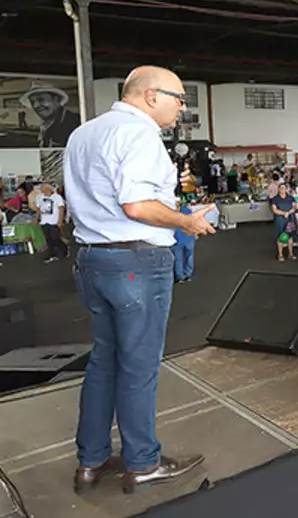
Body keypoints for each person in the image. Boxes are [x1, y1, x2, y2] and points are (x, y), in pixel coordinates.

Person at [64, 65, 214, 494]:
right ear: (150, 95)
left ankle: (90, 461)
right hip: (136, 262)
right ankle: (143, 462)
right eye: (179, 98)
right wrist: (185, 222)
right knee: (139, 366)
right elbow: (137, 206)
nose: (183, 108)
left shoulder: (84, 134)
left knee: (103, 363)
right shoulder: (140, 134)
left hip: (93, 259)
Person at [20, 82, 81, 148]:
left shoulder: (76, 123)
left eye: (41, 100)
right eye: (32, 102)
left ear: (57, 100)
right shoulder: (46, 126)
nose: (36, 105)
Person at [37, 182, 68, 262]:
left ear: (49, 189)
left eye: (43, 189)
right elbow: (38, 209)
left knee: (55, 238)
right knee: (48, 239)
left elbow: (61, 209)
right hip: (44, 221)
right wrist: (36, 218)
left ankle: (64, 248)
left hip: (54, 221)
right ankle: (51, 254)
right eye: (41, 189)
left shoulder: (57, 197)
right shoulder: (40, 197)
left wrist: (60, 221)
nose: (41, 190)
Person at [270, 182, 298, 262]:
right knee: (280, 237)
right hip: (280, 219)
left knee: (290, 236)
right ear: (279, 189)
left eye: (284, 188)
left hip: (290, 218)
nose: (282, 189)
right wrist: (283, 213)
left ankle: (291, 254)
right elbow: (274, 210)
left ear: (286, 189)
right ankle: (280, 254)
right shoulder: (275, 199)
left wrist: (288, 213)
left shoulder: (290, 198)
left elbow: (294, 207)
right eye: (281, 188)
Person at [172, 201, 196, 282]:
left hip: (178, 238)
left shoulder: (170, 213)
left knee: (179, 258)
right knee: (188, 257)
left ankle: (181, 276)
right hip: (187, 238)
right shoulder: (187, 211)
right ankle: (187, 274)